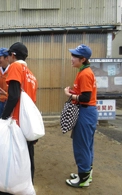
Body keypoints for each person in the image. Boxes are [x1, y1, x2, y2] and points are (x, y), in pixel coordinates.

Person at [0, 42, 38, 195]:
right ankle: (26, 188)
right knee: (27, 158)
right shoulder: (31, 74)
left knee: (12, 160)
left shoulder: (16, 67)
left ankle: (9, 191)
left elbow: (15, 96)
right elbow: (28, 100)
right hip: (27, 124)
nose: (7, 58)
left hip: (17, 124)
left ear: (13, 55)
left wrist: (3, 117)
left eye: (8, 55)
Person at [64, 44, 98, 188]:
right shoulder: (84, 71)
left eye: (74, 56)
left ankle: (83, 178)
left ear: (83, 59)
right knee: (87, 144)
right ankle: (85, 173)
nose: (72, 58)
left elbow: (85, 97)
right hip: (88, 111)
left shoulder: (85, 73)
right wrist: (74, 91)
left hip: (85, 111)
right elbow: (84, 93)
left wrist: (70, 94)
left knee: (81, 145)